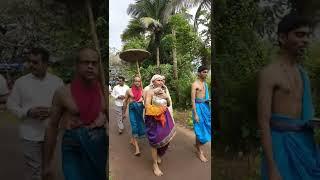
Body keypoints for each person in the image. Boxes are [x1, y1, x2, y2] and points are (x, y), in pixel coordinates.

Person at [258, 13, 320, 180]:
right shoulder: (269, 74)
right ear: (282, 38)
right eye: (299, 35)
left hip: (305, 145)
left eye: (307, 35)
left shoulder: (304, 74)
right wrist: (272, 168)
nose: (305, 40)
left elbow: (303, 113)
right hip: (281, 149)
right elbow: (263, 122)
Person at [42, 48, 107, 180]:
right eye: (85, 62)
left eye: (94, 63)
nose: (90, 66)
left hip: (98, 144)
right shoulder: (63, 93)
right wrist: (47, 164)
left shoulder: (104, 91)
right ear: (77, 65)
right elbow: (52, 127)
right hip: (73, 146)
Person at [6, 47, 64, 180]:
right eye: (30, 62)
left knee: (47, 169)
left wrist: (52, 111)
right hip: (29, 135)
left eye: (35, 62)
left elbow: (63, 107)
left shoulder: (57, 82)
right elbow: (11, 105)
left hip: (50, 134)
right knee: (34, 171)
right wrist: (28, 112)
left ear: (46, 64)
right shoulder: (21, 82)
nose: (31, 65)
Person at [144, 74, 176, 176]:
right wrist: (153, 95)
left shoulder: (164, 91)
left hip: (165, 117)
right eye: (158, 80)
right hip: (153, 119)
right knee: (154, 141)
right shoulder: (149, 91)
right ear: (153, 82)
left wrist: (166, 97)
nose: (161, 82)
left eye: (162, 80)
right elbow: (146, 106)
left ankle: (159, 154)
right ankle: (154, 165)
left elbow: (169, 104)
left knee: (168, 137)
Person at [191, 66, 211, 162]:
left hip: (205, 108)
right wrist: (195, 114)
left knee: (205, 128)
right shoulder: (195, 84)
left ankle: (197, 145)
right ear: (199, 73)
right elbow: (193, 100)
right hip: (198, 109)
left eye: (207, 72)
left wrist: (207, 100)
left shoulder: (205, 84)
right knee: (199, 128)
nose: (206, 74)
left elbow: (204, 96)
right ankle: (200, 151)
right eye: (204, 72)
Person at [122, 76, 146, 156]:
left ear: (140, 82)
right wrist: (124, 113)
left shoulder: (143, 91)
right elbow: (125, 102)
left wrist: (142, 100)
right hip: (132, 110)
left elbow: (146, 102)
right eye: (136, 81)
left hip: (139, 111)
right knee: (134, 126)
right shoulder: (129, 91)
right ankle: (137, 149)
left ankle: (132, 140)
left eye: (139, 81)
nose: (137, 83)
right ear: (133, 81)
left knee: (138, 126)